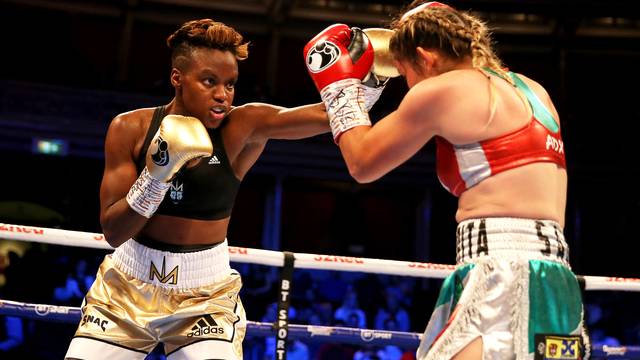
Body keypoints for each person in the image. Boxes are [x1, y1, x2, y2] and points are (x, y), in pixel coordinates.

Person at [303, 2, 588, 359]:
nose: (408, 86)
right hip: (553, 275)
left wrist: (341, 92)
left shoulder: (444, 90)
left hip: (503, 273)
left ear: (425, 57)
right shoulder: (532, 90)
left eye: (405, 74)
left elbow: (363, 162)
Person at [64, 18, 328, 360]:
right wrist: (156, 177)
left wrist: (369, 79)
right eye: (209, 82)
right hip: (126, 289)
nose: (222, 95)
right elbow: (114, 232)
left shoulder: (241, 127)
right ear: (177, 78)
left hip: (205, 296)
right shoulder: (129, 128)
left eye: (230, 85)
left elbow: (326, 116)